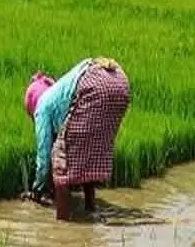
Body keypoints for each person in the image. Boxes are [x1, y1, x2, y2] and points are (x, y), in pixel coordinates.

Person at [24, 57, 132, 220]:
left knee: (60, 160)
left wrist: (37, 189)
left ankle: (63, 222)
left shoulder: (42, 107)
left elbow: (44, 156)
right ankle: (90, 209)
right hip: (119, 80)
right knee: (87, 151)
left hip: (94, 81)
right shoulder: (59, 95)